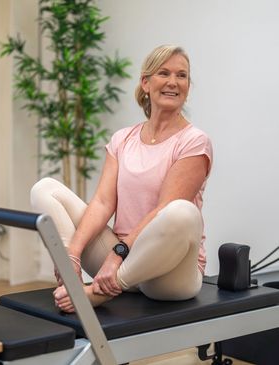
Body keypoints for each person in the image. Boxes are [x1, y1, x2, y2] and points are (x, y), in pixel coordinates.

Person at [31, 44, 213, 313]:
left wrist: (118, 256)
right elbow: (103, 202)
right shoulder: (123, 139)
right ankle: (73, 276)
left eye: (182, 75)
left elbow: (164, 209)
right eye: (164, 73)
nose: (173, 82)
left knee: (182, 212)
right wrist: (73, 253)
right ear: (146, 82)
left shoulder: (194, 141)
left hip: (168, 275)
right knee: (44, 188)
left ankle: (101, 291)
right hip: (118, 259)